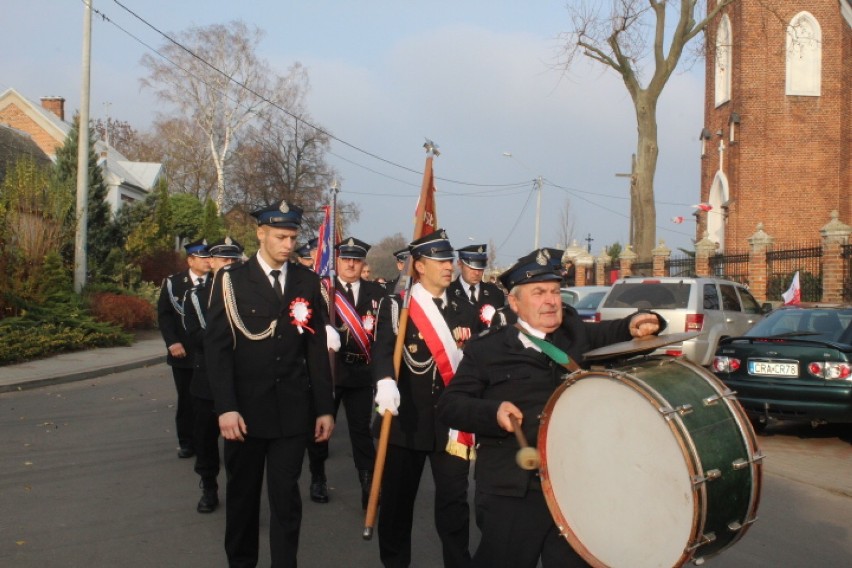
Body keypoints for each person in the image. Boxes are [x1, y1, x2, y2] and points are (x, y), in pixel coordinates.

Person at [436, 249, 664, 568]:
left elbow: (618, 331)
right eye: (539, 292)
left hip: (572, 488)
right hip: (513, 490)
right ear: (514, 304)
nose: (551, 300)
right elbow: (451, 406)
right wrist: (493, 412)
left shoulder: (574, 335)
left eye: (555, 291)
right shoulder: (487, 349)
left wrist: (641, 321)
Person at [205, 200, 334, 568]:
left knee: (286, 502)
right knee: (243, 501)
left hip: (291, 413)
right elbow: (217, 350)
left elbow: (315, 349)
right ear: (260, 233)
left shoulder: (307, 281)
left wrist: (324, 407)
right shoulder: (232, 280)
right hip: (244, 413)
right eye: (280, 236)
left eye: (293, 237)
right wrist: (226, 407)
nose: (288, 245)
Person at [371, 229, 480, 568]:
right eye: (440, 260)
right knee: (397, 506)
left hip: (450, 427)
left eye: (449, 260)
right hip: (406, 422)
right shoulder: (397, 306)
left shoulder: (464, 309)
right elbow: (382, 351)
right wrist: (384, 380)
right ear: (419, 266)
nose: (449, 266)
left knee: (453, 506)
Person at [182, 236, 244, 514]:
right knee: (206, 439)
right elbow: (195, 335)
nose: (228, 264)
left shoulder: (248, 294)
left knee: (239, 443)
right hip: (206, 379)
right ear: (212, 262)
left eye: (233, 259)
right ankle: (208, 485)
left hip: (240, 381)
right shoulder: (196, 296)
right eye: (222, 259)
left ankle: (238, 491)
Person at [328, 237, 385, 509]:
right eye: (346, 259)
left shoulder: (377, 293)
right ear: (337, 261)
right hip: (331, 370)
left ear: (363, 263)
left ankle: (367, 483)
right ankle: (317, 473)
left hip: (361, 371)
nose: (351, 264)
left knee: (360, 430)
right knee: (321, 427)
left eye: (356, 259)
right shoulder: (325, 291)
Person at [157, 238, 211, 459]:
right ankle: (187, 442)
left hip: (208, 353)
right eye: (203, 257)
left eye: (209, 257)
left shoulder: (218, 282)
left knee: (208, 400)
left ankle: (206, 441)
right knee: (187, 399)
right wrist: (172, 342)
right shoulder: (174, 283)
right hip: (184, 353)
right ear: (190, 260)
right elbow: (165, 315)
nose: (208, 261)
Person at [448, 244, 505, 327]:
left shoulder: (495, 293)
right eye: (472, 268)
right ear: (460, 264)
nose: (477, 273)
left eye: (480, 268)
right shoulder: (448, 292)